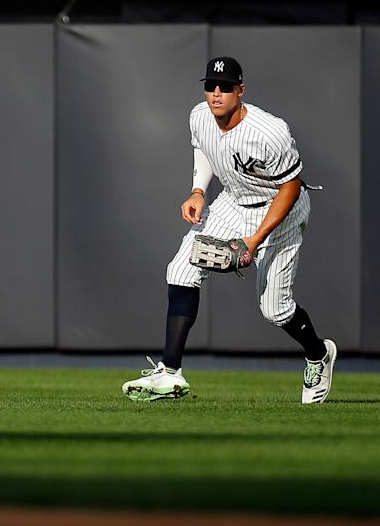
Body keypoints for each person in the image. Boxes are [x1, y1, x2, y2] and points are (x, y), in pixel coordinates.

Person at [121, 56, 337, 404]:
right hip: (233, 203)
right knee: (180, 270)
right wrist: (197, 192)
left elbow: (291, 188)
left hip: (278, 209)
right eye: (210, 86)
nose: (216, 93)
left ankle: (318, 353)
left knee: (275, 311)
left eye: (225, 87)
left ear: (241, 90)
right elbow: (203, 149)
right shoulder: (199, 116)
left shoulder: (270, 132)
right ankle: (170, 372)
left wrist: (254, 240)